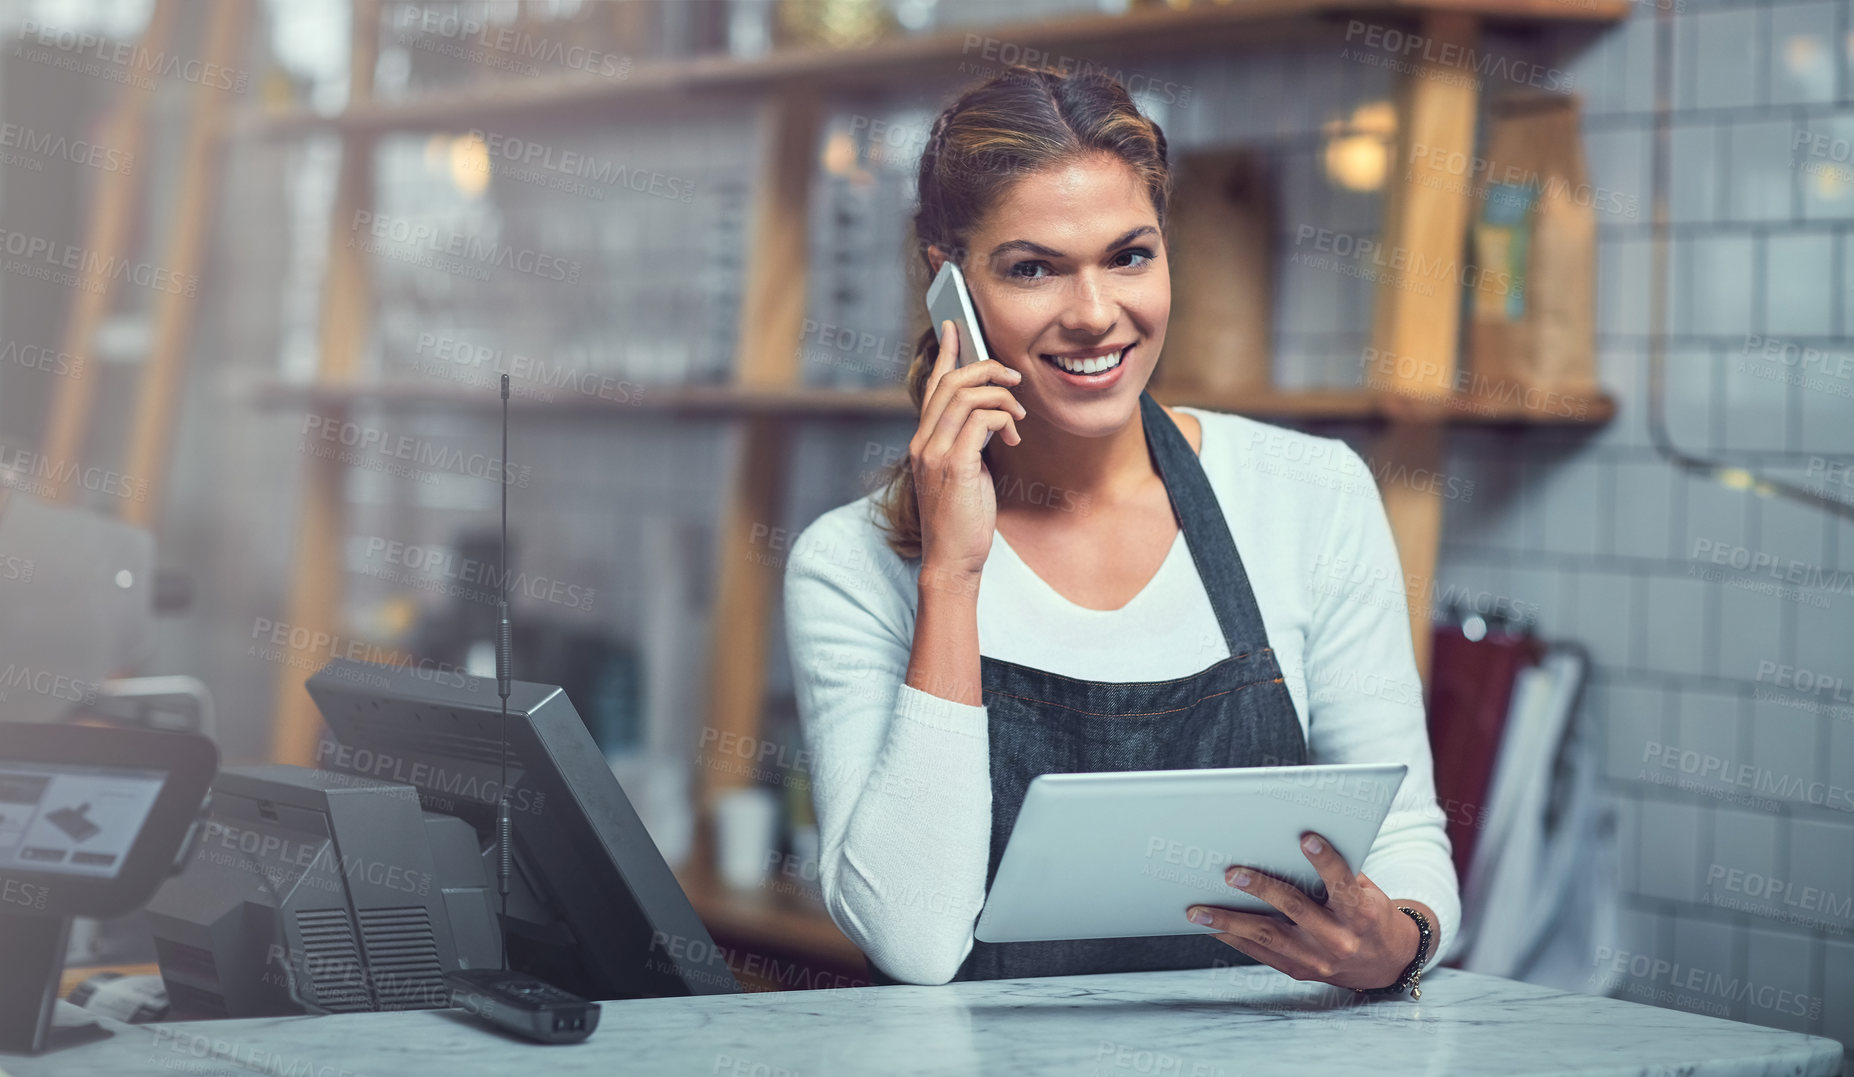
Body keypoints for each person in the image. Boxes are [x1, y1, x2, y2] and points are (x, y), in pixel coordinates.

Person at [782, 65, 1458, 991]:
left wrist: (1405, 937)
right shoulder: (851, 562)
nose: (1097, 314)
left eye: (1129, 255)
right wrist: (950, 574)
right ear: (950, 288)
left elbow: (1406, 835)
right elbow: (914, 939)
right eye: (1033, 268)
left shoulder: (1313, 495)